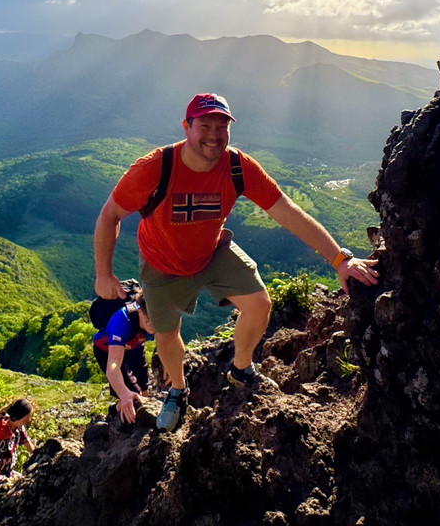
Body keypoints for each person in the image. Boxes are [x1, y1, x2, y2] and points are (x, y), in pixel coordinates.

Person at [93, 92, 379, 432]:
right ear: (187, 127)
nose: (214, 134)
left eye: (222, 126)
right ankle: (178, 391)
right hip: (161, 264)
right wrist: (104, 274)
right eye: (205, 125)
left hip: (212, 252)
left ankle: (241, 368)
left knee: (259, 304)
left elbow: (288, 212)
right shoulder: (156, 168)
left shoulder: (237, 167)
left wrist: (339, 258)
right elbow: (110, 215)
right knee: (168, 335)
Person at [92, 293, 156, 424]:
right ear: (140, 312)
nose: (154, 328)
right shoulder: (122, 322)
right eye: (149, 322)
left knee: (145, 391)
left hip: (135, 346)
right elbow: (113, 364)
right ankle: (115, 414)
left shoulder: (163, 316)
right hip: (107, 350)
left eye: (158, 322)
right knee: (132, 395)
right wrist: (123, 393)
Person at [0, 398, 36, 484]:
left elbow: (28, 444)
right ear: (16, 418)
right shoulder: (0, 428)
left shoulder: (18, 428)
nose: (29, 421)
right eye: (26, 419)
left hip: (8, 471)